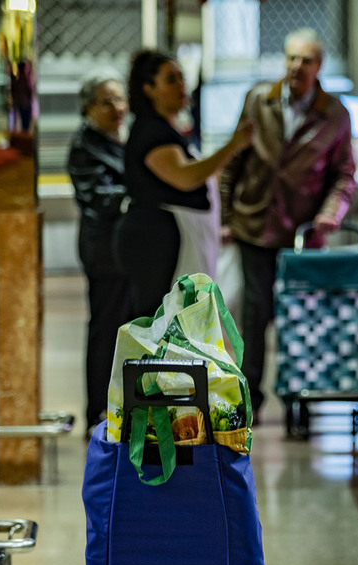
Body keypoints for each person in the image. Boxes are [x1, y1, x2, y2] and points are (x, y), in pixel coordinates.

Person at [219, 27, 357, 418]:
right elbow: (233, 161)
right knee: (254, 314)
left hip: (301, 234)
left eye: (306, 60)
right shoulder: (258, 100)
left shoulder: (335, 114)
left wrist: (331, 213)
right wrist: (227, 216)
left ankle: (301, 399)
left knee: (300, 318)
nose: (297, 67)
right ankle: (251, 402)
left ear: (319, 66)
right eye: (292, 59)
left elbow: (344, 175)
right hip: (254, 225)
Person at [116, 49, 254, 318]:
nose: (182, 86)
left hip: (179, 238)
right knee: (162, 323)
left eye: (182, 78)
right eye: (171, 80)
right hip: (157, 242)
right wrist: (232, 146)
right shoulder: (150, 132)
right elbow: (186, 177)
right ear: (149, 89)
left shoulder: (171, 130)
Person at [67, 70, 133, 435]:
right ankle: (98, 411)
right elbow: (97, 196)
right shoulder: (85, 145)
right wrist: (136, 196)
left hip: (126, 251)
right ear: (88, 108)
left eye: (120, 99)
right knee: (106, 330)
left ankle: (121, 407)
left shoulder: (121, 139)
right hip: (105, 253)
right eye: (106, 101)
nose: (116, 108)